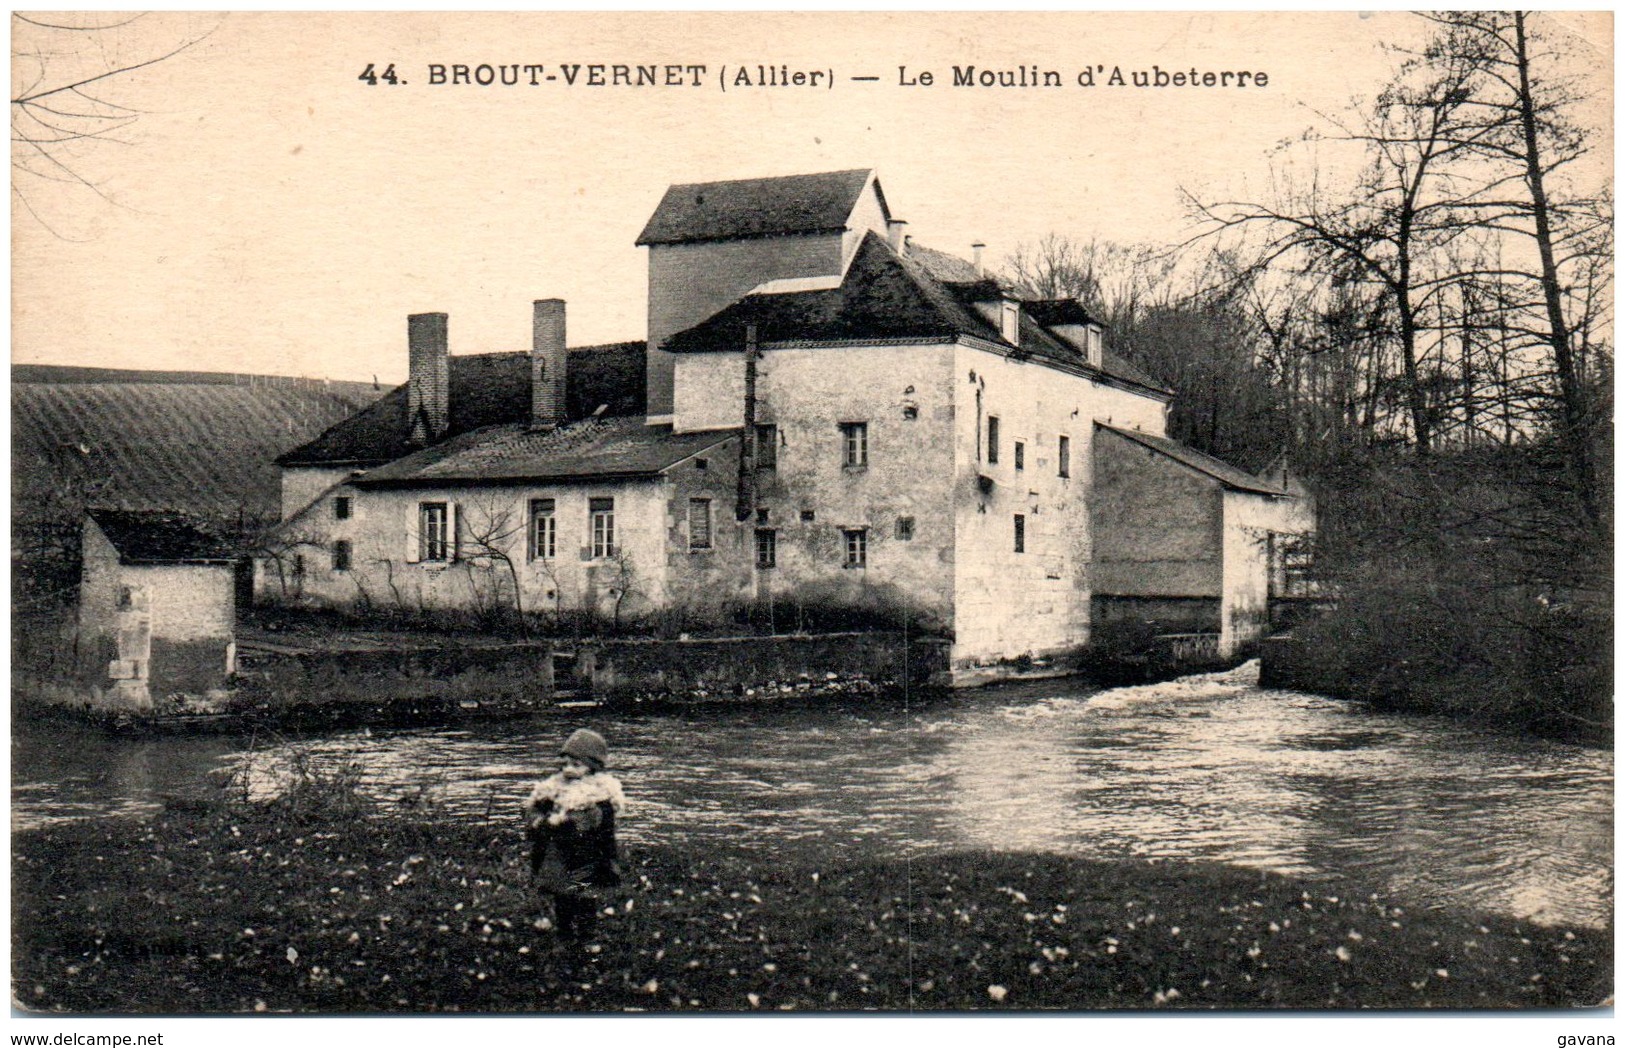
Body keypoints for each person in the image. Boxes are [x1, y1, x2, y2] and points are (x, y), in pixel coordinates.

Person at [522, 728, 625, 943]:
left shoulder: (599, 795)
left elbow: (592, 826)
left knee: (584, 896)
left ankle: (587, 936)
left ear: (592, 767)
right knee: (561, 896)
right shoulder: (552, 789)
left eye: (576, 765)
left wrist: (561, 824)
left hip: (586, 856)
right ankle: (565, 933)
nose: (568, 770)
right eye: (565, 764)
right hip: (558, 855)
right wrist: (537, 820)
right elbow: (534, 812)